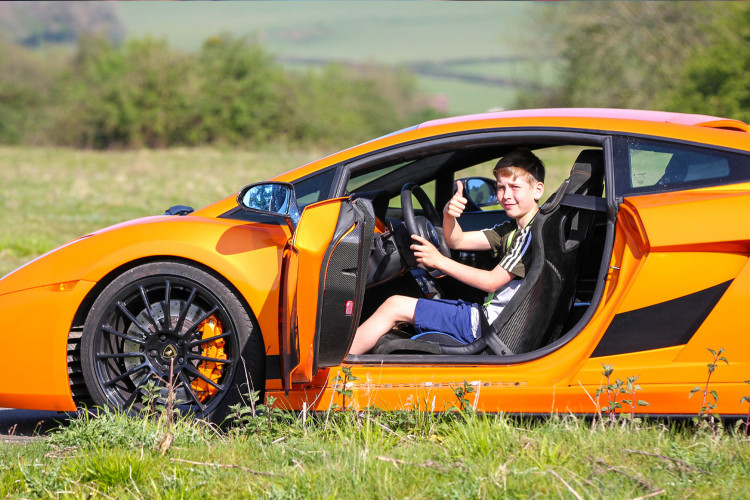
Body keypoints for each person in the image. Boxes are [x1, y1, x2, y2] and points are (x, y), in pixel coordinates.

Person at [348, 149, 545, 355]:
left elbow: (491, 282)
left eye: (515, 187)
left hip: (490, 327)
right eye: (501, 187)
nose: (506, 195)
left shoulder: (529, 234)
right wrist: (449, 214)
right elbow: (456, 240)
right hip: (490, 319)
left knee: (394, 306)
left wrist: (439, 261)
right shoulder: (513, 229)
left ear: (538, 190)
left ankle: (339, 367)